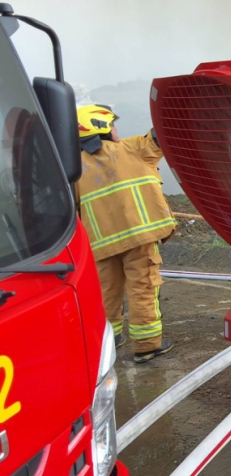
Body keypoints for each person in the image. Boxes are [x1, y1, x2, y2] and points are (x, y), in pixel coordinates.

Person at [75, 104, 176, 363]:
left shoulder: (73, 168)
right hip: (138, 237)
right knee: (142, 286)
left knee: (107, 292)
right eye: (113, 126)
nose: (117, 130)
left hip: (100, 245)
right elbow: (160, 136)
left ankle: (110, 340)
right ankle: (147, 345)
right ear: (101, 128)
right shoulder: (131, 149)